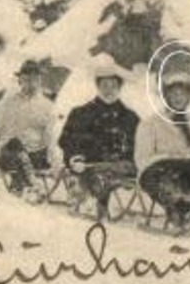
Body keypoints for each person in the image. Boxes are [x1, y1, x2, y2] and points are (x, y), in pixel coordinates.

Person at [58, 59, 140, 219]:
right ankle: (88, 199)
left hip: (120, 167)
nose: (109, 90)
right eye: (104, 85)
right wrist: (74, 158)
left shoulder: (130, 117)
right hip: (89, 164)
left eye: (113, 85)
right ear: (98, 86)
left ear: (119, 87)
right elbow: (66, 139)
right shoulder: (81, 113)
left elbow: (138, 145)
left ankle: (96, 200)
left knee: (114, 171)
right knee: (93, 173)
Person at [134, 69, 190, 228]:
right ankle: (178, 206)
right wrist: (169, 157)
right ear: (166, 97)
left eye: (182, 94)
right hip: (159, 169)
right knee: (163, 178)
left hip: (186, 170)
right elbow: (142, 159)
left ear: (188, 97)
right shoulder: (151, 123)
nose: (178, 98)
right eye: (174, 94)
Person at [0, 59, 57, 197]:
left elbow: (51, 137)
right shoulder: (7, 104)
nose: (31, 84)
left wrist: (54, 161)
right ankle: (32, 185)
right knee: (14, 143)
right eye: (26, 79)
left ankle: (24, 184)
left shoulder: (47, 106)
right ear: (20, 81)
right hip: (9, 156)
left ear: (40, 81)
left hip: (35, 156)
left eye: (35, 79)